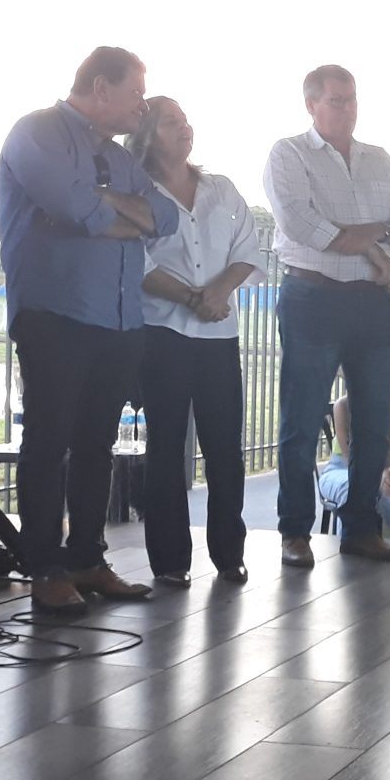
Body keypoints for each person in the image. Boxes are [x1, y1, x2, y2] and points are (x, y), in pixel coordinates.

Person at [0, 46, 180, 614]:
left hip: (120, 320)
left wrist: (104, 204)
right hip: (56, 315)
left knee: (96, 445)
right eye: (135, 93)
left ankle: (86, 558)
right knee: (48, 442)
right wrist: (115, 213)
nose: (142, 106)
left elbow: (165, 217)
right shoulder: (37, 133)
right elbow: (77, 210)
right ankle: (44, 568)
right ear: (101, 88)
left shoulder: (121, 160)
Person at [265, 64, 390, 570]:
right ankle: (295, 532)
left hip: (372, 303)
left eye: (351, 98)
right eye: (336, 100)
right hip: (312, 298)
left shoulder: (380, 158)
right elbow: (302, 224)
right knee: (301, 420)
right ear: (311, 104)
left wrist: (366, 234)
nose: (347, 108)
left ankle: (361, 529)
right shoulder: (288, 154)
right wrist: (376, 242)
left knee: (374, 421)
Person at [129, 96, 261, 586]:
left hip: (218, 334)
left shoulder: (220, 189)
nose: (185, 128)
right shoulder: (138, 194)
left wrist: (218, 292)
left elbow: (247, 249)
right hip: (162, 331)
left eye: (186, 121)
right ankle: (169, 561)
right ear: (147, 135)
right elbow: (137, 262)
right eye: (172, 122)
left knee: (225, 446)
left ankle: (229, 553)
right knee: (165, 446)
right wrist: (190, 298)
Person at [320, 370, 390, 543]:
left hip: (384, 469)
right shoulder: (344, 406)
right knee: (352, 490)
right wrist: (377, 477)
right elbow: (350, 458)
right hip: (342, 469)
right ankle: (349, 548)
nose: (388, 389)